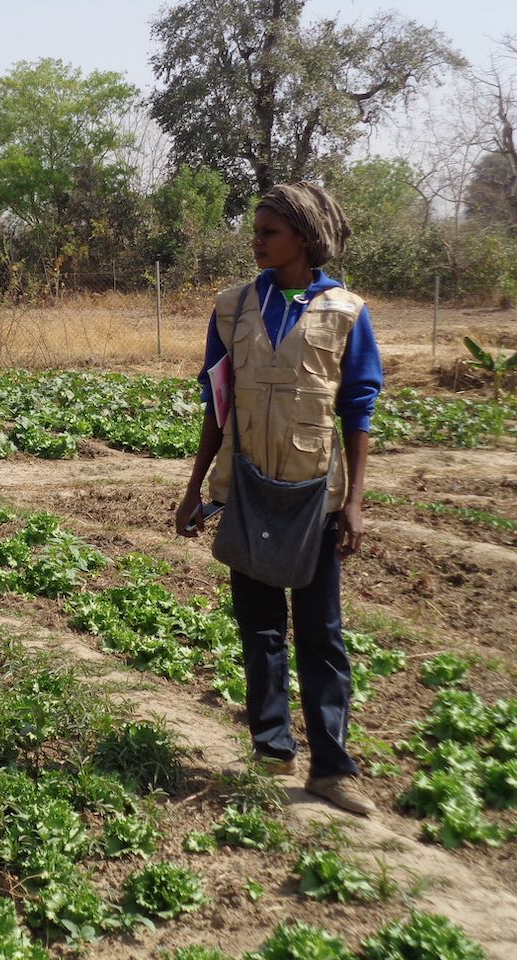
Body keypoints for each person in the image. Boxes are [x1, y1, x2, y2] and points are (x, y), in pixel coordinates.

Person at [175, 182, 383, 816]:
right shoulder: (233, 307)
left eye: (270, 232)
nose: (257, 242)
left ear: (305, 237)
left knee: (321, 631)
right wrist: (194, 488)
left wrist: (355, 501)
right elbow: (217, 405)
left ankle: (332, 769)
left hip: (315, 496)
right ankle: (272, 749)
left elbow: (358, 409)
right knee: (259, 625)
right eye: (256, 231)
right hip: (247, 489)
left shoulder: (345, 312)